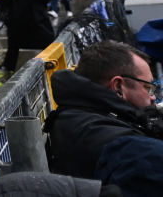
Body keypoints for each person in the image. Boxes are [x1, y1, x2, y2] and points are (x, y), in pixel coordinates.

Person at [45, 40, 163, 194]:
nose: (153, 97)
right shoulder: (128, 148)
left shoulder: (76, 112)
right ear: (118, 86)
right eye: (148, 88)